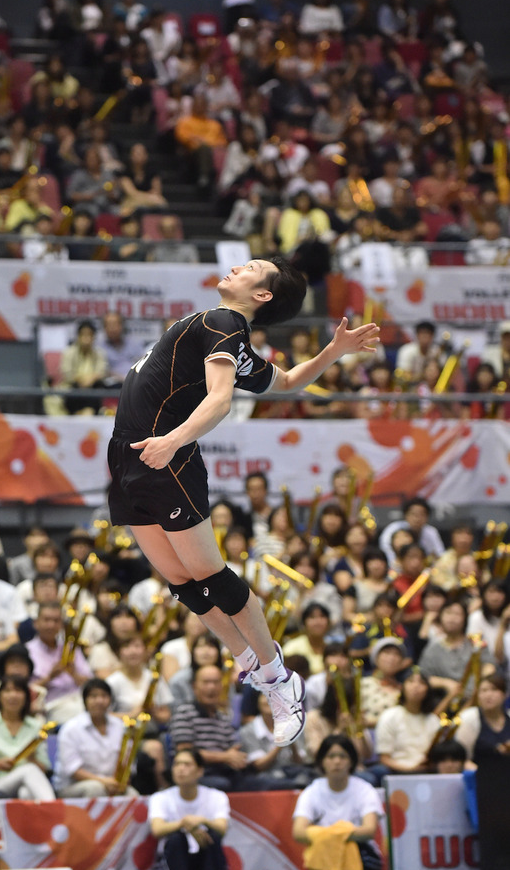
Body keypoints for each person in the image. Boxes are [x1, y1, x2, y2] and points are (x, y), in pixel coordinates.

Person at [107, 256, 379, 746]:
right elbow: (291, 381)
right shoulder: (226, 334)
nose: (238, 266)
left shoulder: (225, 321)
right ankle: (247, 659)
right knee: (181, 582)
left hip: (163, 456)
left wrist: (173, 440)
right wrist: (334, 351)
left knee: (211, 575)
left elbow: (220, 400)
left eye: (252, 267)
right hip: (129, 459)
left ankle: (279, 679)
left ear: (263, 296)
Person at [292, 733, 384, 870]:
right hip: (325, 855)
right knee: (318, 857)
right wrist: (338, 835)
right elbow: (298, 832)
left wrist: (328, 834)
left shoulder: (365, 790)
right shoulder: (312, 791)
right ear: (322, 761)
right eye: (331, 756)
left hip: (362, 855)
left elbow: (369, 830)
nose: (337, 761)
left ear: (351, 762)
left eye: (343, 756)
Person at [149, 748, 229, 870]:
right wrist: (184, 823)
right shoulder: (160, 797)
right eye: (177, 764)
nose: (181, 769)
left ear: (200, 771)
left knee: (212, 837)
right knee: (175, 839)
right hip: (174, 861)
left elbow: (222, 828)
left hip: (205, 860)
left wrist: (202, 821)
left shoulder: (217, 796)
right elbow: (157, 829)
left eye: (187, 764)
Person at [53, 678, 138, 797]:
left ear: (110, 700)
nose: (99, 700)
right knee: (95, 788)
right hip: (73, 787)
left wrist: (120, 781)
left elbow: (128, 762)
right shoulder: (71, 729)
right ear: (85, 701)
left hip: (112, 783)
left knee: (133, 795)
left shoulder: (120, 726)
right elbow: (72, 770)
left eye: (104, 696)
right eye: (93, 696)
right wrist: (103, 782)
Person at [0, 675, 55, 799]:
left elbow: (44, 770)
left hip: (29, 782)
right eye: (7, 690)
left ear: (26, 697)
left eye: (18, 690)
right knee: (29, 770)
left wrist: (32, 759)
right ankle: (55, 811)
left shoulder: (35, 726)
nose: (13, 695)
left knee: (25, 793)